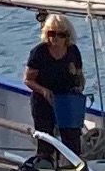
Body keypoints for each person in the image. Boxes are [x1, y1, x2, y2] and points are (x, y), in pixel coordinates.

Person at [24, 14, 88, 154]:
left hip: (66, 101)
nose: (55, 38)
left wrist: (79, 87)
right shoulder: (39, 52)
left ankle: (73, 165)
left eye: (61, 35)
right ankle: (45, 163)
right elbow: (28, 79)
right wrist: (43, 90)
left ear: (67, 36)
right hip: (44, 100)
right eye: (52, 34)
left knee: (72, 140)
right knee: (45, 141)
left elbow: (79, 74)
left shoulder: (73, 51)